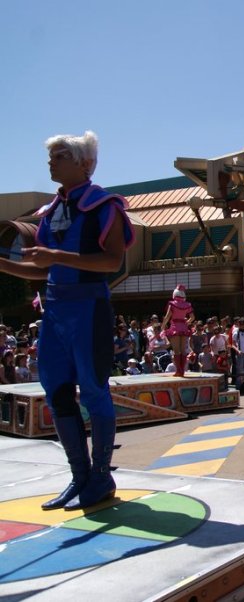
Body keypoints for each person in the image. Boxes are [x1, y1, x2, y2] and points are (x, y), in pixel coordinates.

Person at [0, 130, 134, 510]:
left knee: (94, 390)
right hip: (56, 310)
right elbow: (39, 269)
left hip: (89, 308)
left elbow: (111, 262)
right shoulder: (50, 211)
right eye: (51, 156)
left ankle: (101, 476)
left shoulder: (104, 206)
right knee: (57, 391)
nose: (51, 161)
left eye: (60, 155)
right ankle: (78, 477)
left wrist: (57, 259)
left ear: (85, 164)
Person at [160, 284, 194, 376]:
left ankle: (178, 371)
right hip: (184, 327)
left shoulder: (172, 304)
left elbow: (167, 317)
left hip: (175, 327)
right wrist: (187, 322)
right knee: (183, 350)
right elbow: (192, 317)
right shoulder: (187, 305)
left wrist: (163, 326)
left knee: (176, 350)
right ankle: (182, 370)